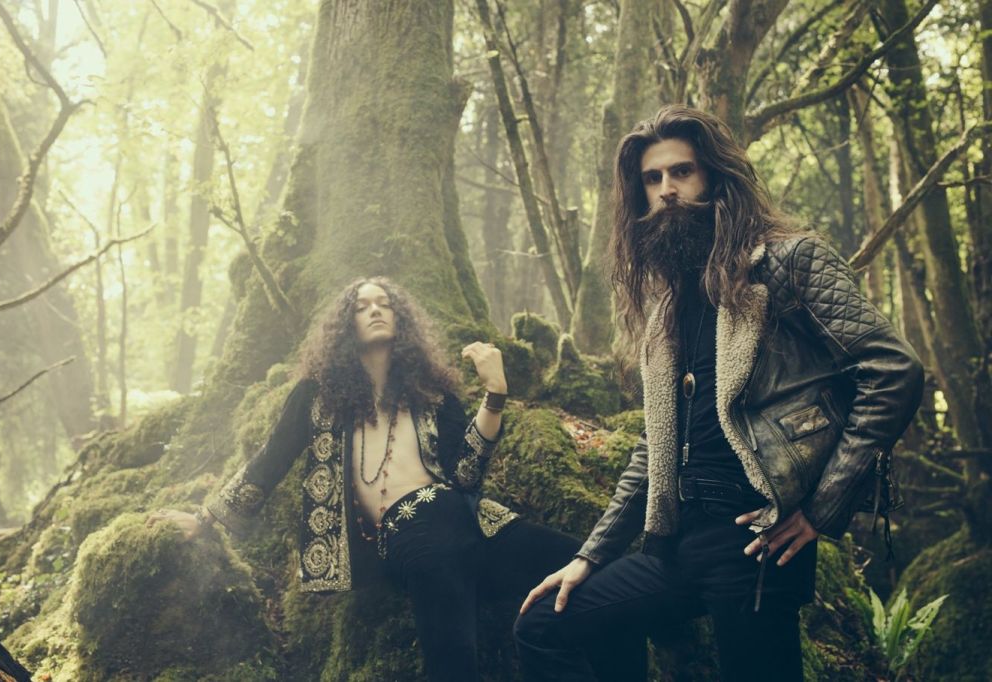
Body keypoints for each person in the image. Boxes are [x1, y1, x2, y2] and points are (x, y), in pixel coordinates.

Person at [513, 105, 924, 681]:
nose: (667, 189)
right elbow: (654, 446)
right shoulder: (667, 304)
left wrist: (821, 510)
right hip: (675, 547)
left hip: (758, 543)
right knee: (544, 625)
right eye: (652, 178)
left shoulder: (789, 261)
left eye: (681, 171)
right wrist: (590, 557)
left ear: (714, 175)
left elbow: (893, 370)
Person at [150, 276, 577, 682]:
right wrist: (204, 519)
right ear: (345, 325)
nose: (375, 310)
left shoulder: (433, 394)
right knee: (451, 646)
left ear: (401, 320)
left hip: (476, 524)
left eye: (384, 304)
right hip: (408, 535)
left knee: (586, 565)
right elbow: (270, 459)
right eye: (362, 306)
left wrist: (495, 395)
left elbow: (466, 476)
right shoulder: (316, 397)